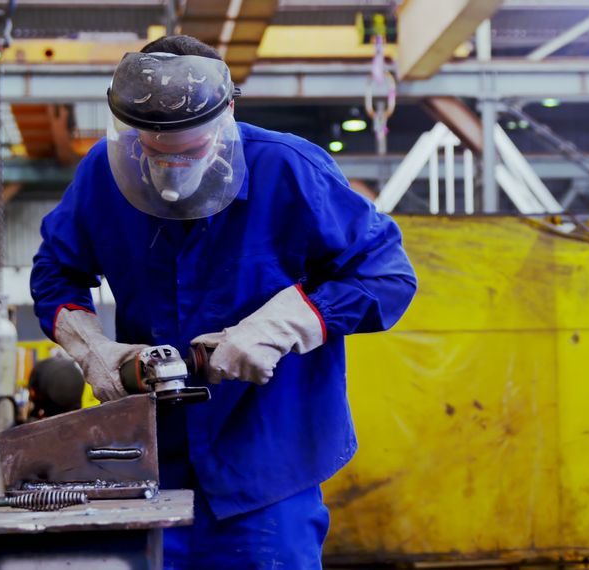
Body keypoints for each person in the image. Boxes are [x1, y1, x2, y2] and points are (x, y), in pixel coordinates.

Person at [30, 35, 417, 568]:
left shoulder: (289, 170)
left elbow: (387, 275)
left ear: (228, 111)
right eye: (152, 151)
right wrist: (92, 346)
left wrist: (282, 326)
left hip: (266, 457)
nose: (170, 174)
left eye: (189, 151)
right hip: (151, 460)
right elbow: (56, 270)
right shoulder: (103, 173)